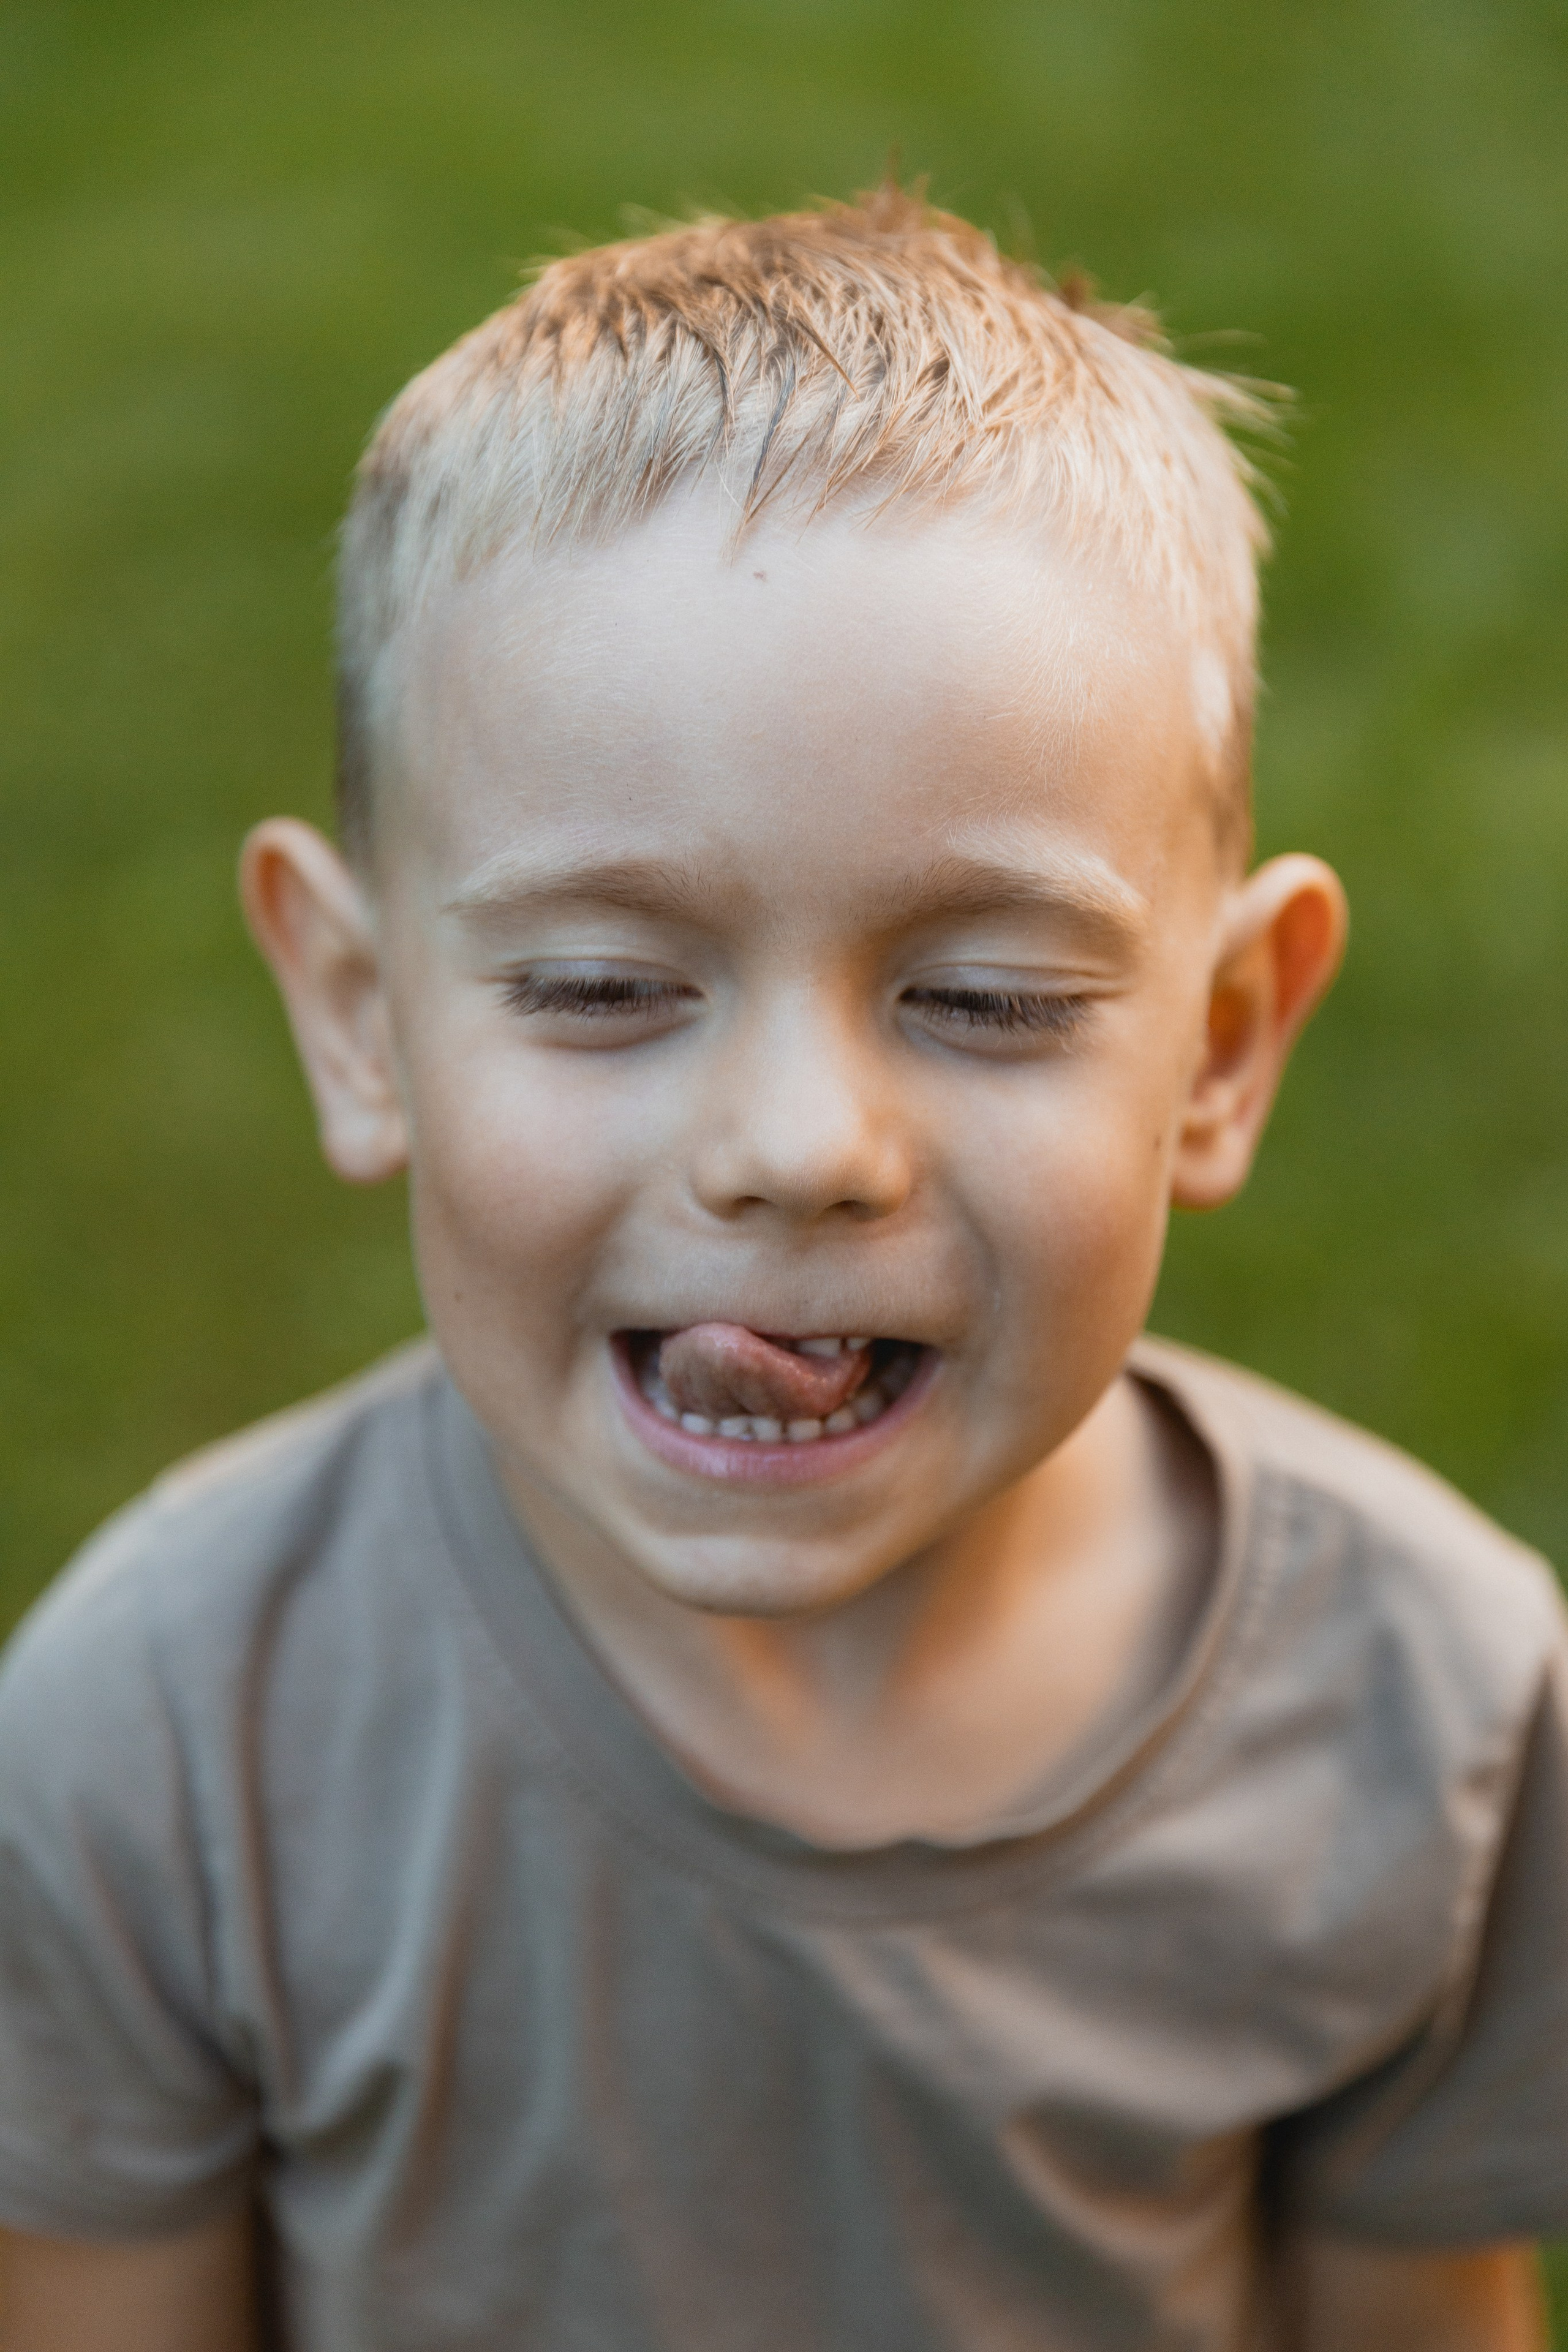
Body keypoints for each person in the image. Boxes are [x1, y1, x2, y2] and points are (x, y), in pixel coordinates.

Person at [0, 185, 1562, 2352]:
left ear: (1219, 1047)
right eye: (603, 985)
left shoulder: (1444, 1720)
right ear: (361, 1019)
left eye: (993, 1000)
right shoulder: (164, 1737)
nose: (800, 1149)